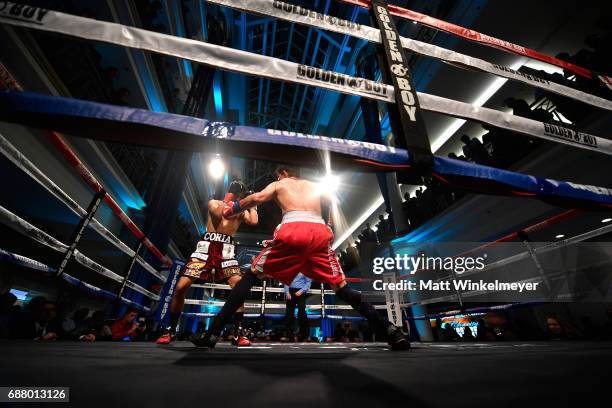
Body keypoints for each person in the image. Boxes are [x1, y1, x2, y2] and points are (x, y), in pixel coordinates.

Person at [193, 165, 409, 350]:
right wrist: (329, 227)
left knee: (249, 277)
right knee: (343, 289)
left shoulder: (282, 183)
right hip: (320, 232)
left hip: (292, 231)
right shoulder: (315, 185)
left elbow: (257, 198)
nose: (278, 179)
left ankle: (212, 333)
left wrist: (234, 208)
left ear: (284, 173)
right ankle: (391, 331)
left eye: (278, 176)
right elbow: (332, 204)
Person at [156, 180, 258, 346]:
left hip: (226, 251)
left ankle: (238, 333)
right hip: (205, 249)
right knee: (181, 287)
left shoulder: (242, 209)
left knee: (238, 288)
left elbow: (254, 221)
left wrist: (251, 203)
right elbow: (220, 213)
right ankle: (171, 329)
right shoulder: (214, 202)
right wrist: (233, 200)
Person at [283, 273, 312, 341]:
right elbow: (286, 280)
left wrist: (301, 291)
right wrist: (287, 292)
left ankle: (305, 336)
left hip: (301, 291)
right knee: (289, 313)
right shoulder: (291, 267)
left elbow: (308, 282)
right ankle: (288, 336)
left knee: (302, 312)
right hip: (290, 291)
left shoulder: (305, 269)